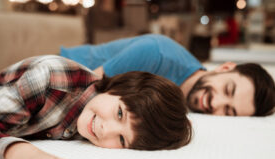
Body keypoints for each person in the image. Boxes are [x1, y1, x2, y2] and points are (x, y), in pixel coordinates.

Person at [0, 55, 191, 159]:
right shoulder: (49, 78)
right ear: (119, 88)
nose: (106, 131)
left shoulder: (92, 118)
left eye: (122, 139)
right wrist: (24, 154)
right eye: (119, 114)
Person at [61, 34, 275, 116]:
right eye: (227, 89)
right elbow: (80, 93)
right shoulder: (156, 54)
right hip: (61, 73)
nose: (215, 102)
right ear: (225, 67)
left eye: (228, 111)